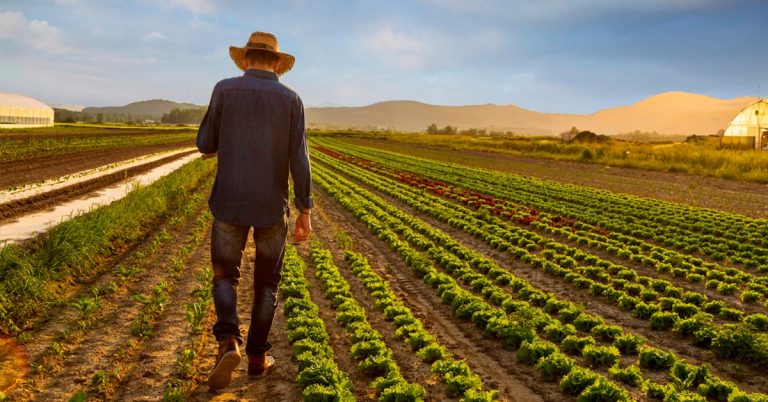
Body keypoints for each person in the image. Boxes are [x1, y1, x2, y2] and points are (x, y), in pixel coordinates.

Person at [196, 31, 313, 391]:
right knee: (266, 284)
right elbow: (300, 159)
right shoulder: (292, 99)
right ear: (277, 64)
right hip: (270, 208)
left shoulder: (224, 89)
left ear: (245, 60)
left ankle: (228, 342)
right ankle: (257, 359)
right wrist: (305, 208)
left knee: (224, 276)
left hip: (229, 201)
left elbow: (205, 144)